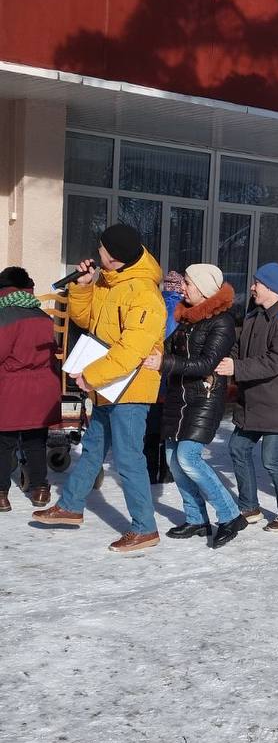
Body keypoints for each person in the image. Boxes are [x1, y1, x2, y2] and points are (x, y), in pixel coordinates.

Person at [33, 224, 167, 553]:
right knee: (93, 448)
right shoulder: (110, 280)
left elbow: (131, 350)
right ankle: (71, 506)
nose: (98, 252)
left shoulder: (144, 294)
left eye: (102, 249)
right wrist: (82, 287)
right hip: (108, 385)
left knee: (128, 458)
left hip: (130, 389)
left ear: (115, 257)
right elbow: (86, 321)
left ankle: (145, 528)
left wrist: (92, 375)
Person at [144, 263, 247, 549]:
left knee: (188, 458)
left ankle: (231, 516)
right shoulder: (187, 317)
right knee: (173, 460)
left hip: (204, 398)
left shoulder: (222, 322)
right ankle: (196, 518)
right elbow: (167, 347)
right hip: (178, 398)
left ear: (203, 288)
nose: (183, 287)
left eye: (188, 283)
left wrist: (163, 363)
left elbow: (206, 364)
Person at [215, 262, 278, 533]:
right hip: (252, 399)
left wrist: (237, 368)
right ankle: (249, 507)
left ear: (272, 288)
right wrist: (226, 363)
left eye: (257, 283)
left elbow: (275, 361)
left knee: (272, 460)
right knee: (238, 448)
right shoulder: (255, 315)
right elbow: (238, 347)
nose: (252, 287)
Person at [0, 267, 61, 512]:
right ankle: (40, 489)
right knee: (36, 441)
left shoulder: (4, 316)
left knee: (4, 443)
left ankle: (1, 494)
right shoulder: (43, 316)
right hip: (43, 388)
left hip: (11, 388)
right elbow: (52, 353)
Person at [144, 270, 186, 484]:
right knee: (169, 429)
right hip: (173, 377)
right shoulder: (183, 311)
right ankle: (167, 473)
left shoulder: (156, 305)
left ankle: (150, 472)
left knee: (151, 429)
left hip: (152, 375)